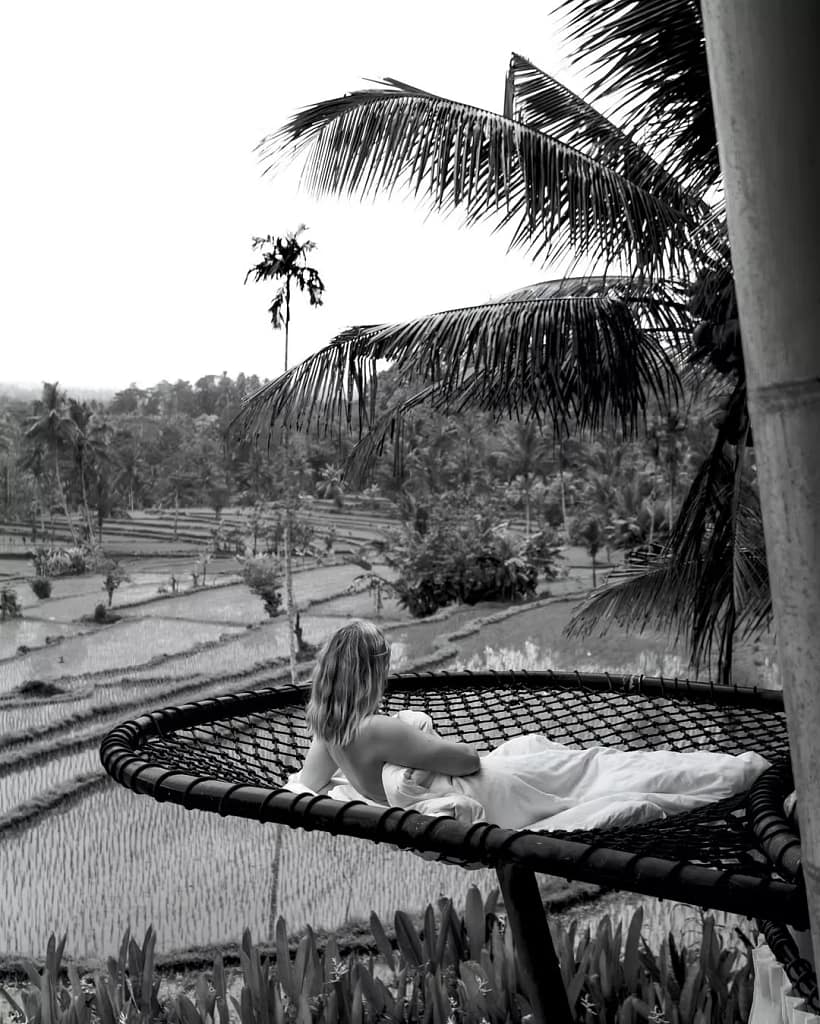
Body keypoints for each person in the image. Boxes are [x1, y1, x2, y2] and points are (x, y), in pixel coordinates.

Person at [291, 619, 771, 832]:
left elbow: (304, 786)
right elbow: (467, 759)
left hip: (472, 787)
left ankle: (727, 774)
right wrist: (420, 736)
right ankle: (736, 775)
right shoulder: (380, 729)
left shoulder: (328, 732)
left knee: (579, 769)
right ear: (370, 672)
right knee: (593, 773)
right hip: (487, 790)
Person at [296, 619, 480, 804]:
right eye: (384, 668)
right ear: (371, 676)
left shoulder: (331, 732)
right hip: (474, 790)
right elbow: (470, 760)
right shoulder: (375, 729)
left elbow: (308, 784)